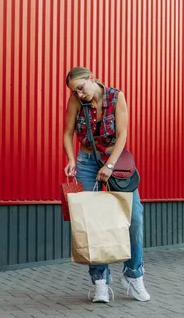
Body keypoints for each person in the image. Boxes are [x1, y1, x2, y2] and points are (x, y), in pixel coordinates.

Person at [62, 66, 150, 303]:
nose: (79, 95)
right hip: (87, 161)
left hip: (115, 160)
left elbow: (122, 135)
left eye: (81, 88)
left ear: (92, 78)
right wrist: (71, 159)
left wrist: (109, 165)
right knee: (92, 222)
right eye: (75, 92)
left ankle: (134, 275)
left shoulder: (115, 97)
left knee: (135, 216)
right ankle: (100, 282)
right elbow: (67, 133)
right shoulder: (76, 101)